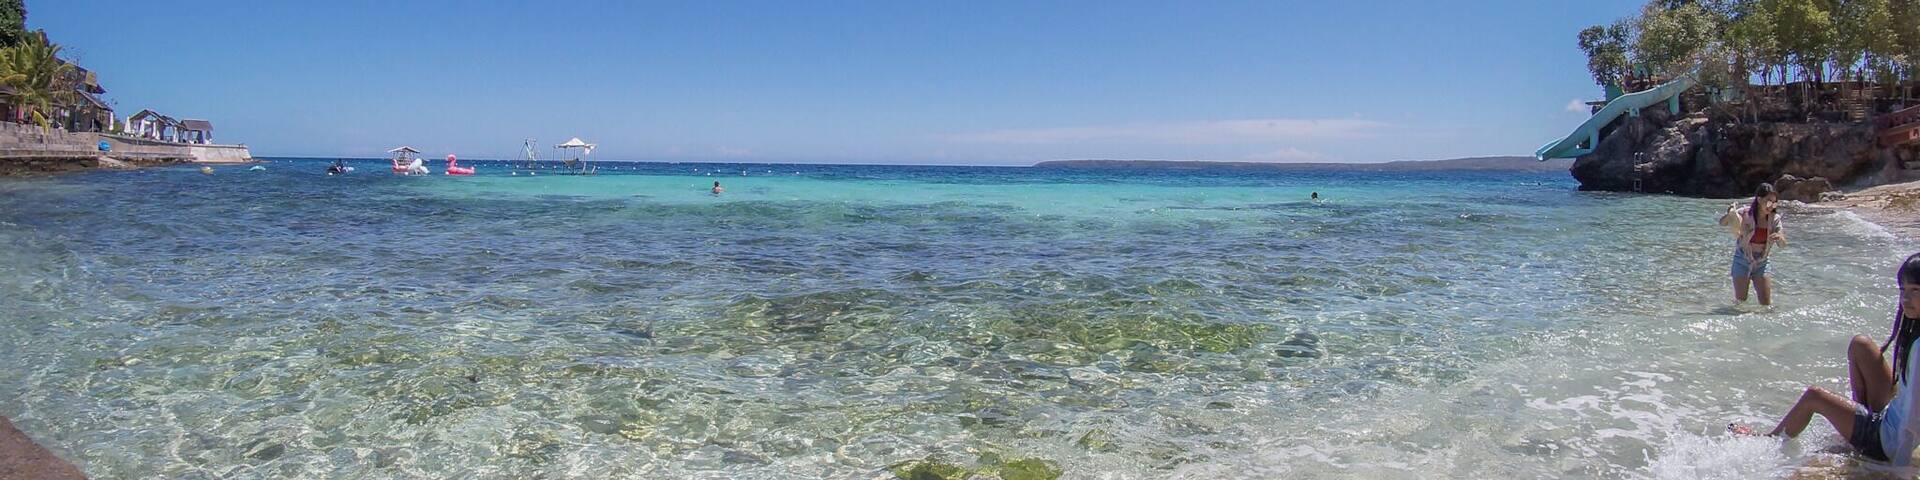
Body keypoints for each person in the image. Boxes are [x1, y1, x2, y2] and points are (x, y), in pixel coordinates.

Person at [1732, 253, 1920, 465]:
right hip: (1890, 418)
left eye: (1915, 290)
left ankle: (1769, 440)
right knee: (1861, 345)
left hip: (1885, 443)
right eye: (1903, 290)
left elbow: (1914, 413)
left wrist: (1899, 467)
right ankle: (1857, 425)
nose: (1905, 299)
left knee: (1815, 396)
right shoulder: (1915, 331)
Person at [1719, 184, 1785, 305]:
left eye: (1774, 203)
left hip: (1762, 263)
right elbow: (1722, 223)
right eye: (1769, 202)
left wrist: (1779, 238)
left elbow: (1783, 245)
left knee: (1766, 305)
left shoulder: (1775, 219)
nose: (1771, 206)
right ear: (1759, 199)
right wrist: (1730, 214)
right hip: (1742, 260)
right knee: (1740, 303)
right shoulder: (1745, 213)